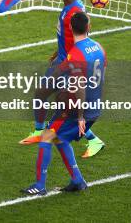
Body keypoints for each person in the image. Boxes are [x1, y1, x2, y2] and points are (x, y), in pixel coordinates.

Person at [19, 0, 105, 158]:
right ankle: (40, 132)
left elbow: (81, 34)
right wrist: (58, 52)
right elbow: (69, 35)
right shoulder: (72, 7)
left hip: (69, 64)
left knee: (58, 103)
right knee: (45, 94)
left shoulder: (75, 10)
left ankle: (88, 139)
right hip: (62, 59)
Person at [23, 11, 106, 195]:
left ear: (70, 28)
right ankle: (77, 181)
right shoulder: (98, 47)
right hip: (96, 106)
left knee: (47, 137)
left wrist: (80, 116)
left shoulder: (75, 54)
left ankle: (39, 185)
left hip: (76, 109)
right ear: (88, 27)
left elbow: (79, 87)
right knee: (62, 139)